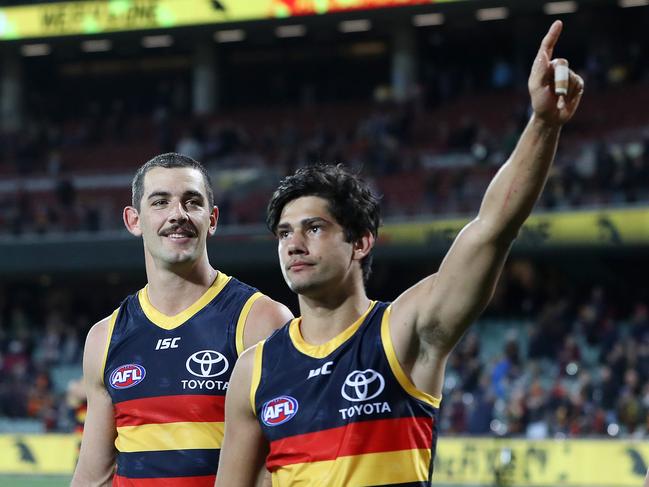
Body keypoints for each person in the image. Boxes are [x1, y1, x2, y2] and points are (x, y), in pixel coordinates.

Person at [216, 20, 584, 487]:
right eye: (285, 233)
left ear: (361, 242)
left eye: (314, 227)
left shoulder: (405, 331)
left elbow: (492, 229)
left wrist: (543, 125)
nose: (294, 243)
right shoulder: (255, 368)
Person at [71, 153, 293, 486]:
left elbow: (289, 462)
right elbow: (92, 476)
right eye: (160, 202)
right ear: (133, 220)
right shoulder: (105, 337)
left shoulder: (261, 320)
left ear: (212, 219)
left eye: (192, 202)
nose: (178, 215)